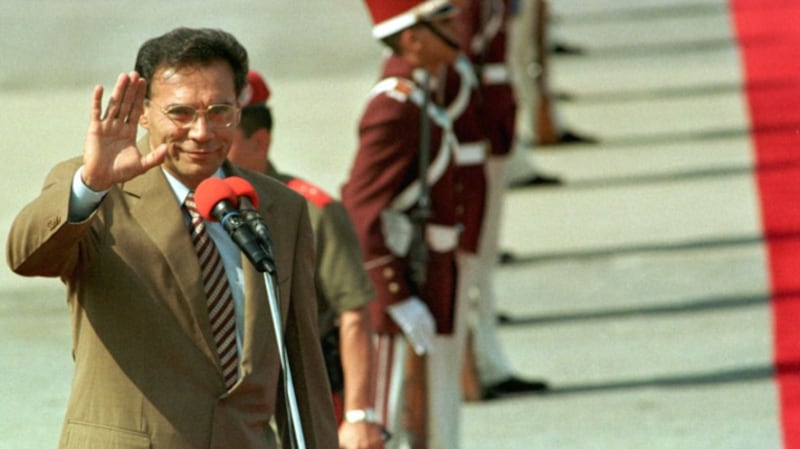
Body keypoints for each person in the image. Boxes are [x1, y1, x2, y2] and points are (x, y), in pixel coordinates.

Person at [6, 27, 337, 449]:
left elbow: (301, 370)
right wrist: (90, 185)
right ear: (143, 113)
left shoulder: (280, 208)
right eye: (180, 113)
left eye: (220, 111)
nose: (202, 132)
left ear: (240, 107)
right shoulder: (100, 189)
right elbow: (26, 256)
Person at [228, 70, 387, 449]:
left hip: (301, 393)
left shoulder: (313, 212)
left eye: (226, 139)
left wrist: (358, 416)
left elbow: (353, 313)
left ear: (260, 140)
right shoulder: (195, 206)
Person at [341, 1, 467, 448]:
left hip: (424, 271)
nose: (458, 26)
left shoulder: (418, 91)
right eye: (445, 21)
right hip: (398, 284)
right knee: (382, 423)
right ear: (413, 39)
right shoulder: (394, 107)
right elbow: (359, 206)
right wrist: (393, 296)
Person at [456, 0, 551, 400]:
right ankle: (481, 362)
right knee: (473, 259)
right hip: (471, 132)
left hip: (485, 124)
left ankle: (486, 355)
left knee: (483, 257)